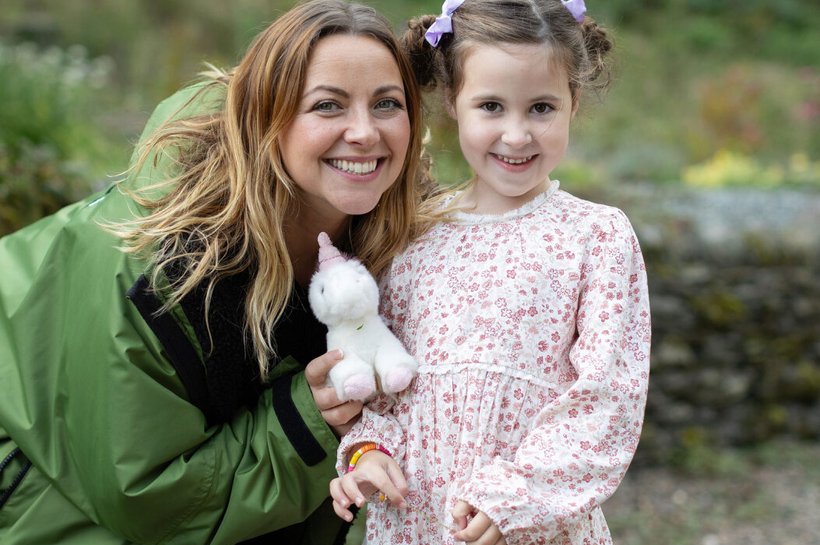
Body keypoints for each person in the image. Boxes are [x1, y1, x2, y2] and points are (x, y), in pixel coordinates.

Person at [0, 0, 433, 543]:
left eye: (387, 104)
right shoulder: (155, 272)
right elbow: (147, 499)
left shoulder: (398, 241)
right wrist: (307, 421)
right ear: (265, 118)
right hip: (43, 482)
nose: (365, 133)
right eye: (328, 106)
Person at [329, 0, 651, 544]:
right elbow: (383, 388)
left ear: (574, 101)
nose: (517, 134)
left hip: (534, 526)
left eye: (542, 108)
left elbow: (607, 400)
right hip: (415, 523)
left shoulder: (596, 237)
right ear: (453, 102)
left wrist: (514, 498)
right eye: (492, 106)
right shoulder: (412, 234)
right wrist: (367, 454)